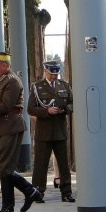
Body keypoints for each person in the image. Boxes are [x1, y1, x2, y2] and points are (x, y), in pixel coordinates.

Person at [0, 51, 43, 212]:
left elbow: (5, 106)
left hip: (10, 126)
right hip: (1, 128)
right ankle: (30, 191)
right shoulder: (2, 81)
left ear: (4, 65)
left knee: (4, 168)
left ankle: (8, 209)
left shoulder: (12, 81)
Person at [28, 60, 75, 203]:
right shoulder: (37, 87)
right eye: (51, 73)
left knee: (63, 164)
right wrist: (46, 111)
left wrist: (65, 109)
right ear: (45, 71)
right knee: (40, 164)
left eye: (56, 73)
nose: (54, 76)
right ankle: (38, 191)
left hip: (60, 130)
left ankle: (66, 192)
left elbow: (72, 103)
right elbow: (30, 108)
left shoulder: (64, 86)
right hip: (44, 131)